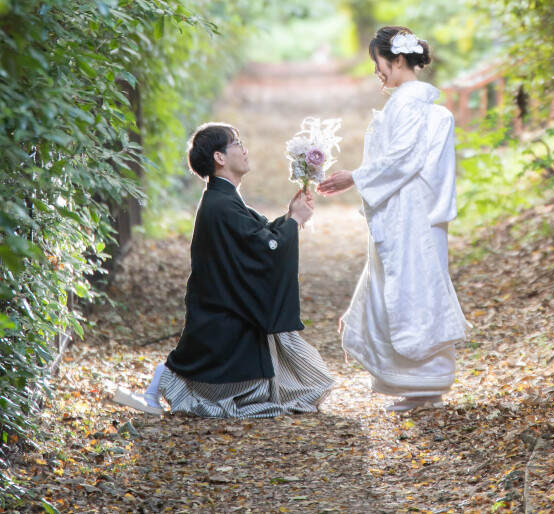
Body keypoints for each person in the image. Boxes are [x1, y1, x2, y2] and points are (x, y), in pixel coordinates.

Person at [113, 122, 332, 418]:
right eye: (237, 144)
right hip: (224, 326)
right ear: (219, 157)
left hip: (219, 318)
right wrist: (292, 223)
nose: (244, 150)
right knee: (287, 391)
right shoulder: (221, 203)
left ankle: (163, 380)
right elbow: (262, 248)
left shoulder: (221, 199)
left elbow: (258, 238)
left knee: (299, 385)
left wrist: (292, 218)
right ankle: (166, 381)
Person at [318, 27, 467, 413]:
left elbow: (403, 156)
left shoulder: (409, 102)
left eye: (377, 63)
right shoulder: (414, 102)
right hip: (410, 209)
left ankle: (422, 384)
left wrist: (355, 177)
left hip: (410, 213)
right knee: (414, 286)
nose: (376, 72)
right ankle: (420, 383)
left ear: (397, 59)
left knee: (412, 288)